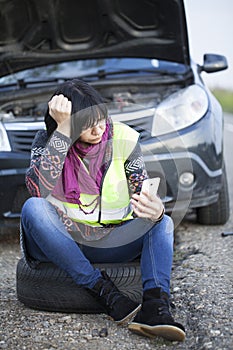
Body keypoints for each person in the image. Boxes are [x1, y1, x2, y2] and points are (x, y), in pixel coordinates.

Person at [20, 78, 185, 342]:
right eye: (86, 125)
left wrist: (154, 208)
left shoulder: (123, 138)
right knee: (33, 208)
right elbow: (38, 189)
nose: (98, 129)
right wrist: (63, 132)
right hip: (61, 242)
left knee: (161, 221)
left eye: (100, 119)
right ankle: (104, 291)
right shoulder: (49, 140)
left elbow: (140, 188)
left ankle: (155, 309)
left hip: (110, 240)